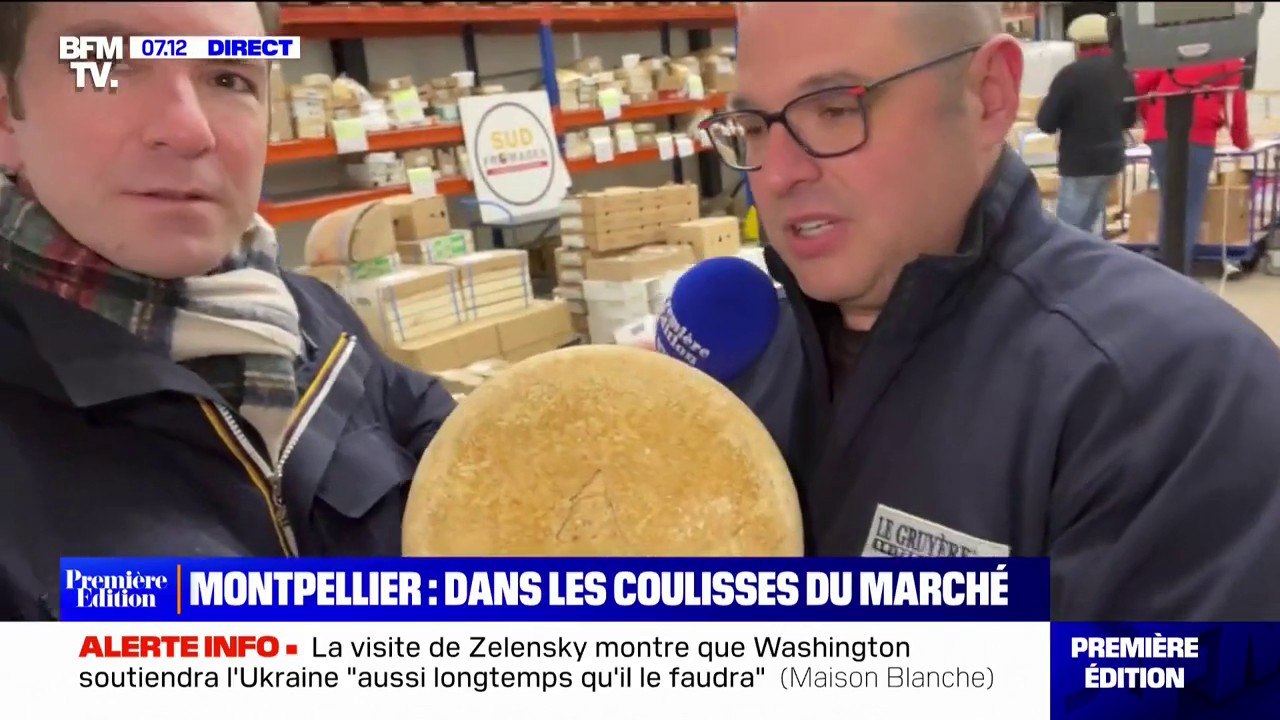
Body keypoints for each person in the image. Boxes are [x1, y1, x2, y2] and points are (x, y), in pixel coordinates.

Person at [707, 2, 1280, 621]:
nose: (778, 175)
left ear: (989, 95)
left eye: (835, 110)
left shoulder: (1175, 392)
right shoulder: (746, 368)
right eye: (755, 126)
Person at [0, 2, 456, 619]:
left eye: (228, 79)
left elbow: (471, 455)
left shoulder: (317, 324)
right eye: (108, 65)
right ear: (8, 115)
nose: (189, 130)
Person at [1134, 59, 1253, 272]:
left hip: (1161, 131)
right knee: (1189, 206)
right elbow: (1234, 100)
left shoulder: (1168, 49)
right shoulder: (1226, 55)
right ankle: (1178, 275)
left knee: (1170, 202)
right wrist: (1241, 140)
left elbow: (1141, 86)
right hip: (1198, 133)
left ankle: (1164, 271)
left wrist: (1151, 119)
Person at [1035, 13, 1136, 234]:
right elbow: (1129, 118)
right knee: (1094, 223)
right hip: (1111, 160)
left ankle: (1067, 268)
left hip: (1080, 163)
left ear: (1078, 44)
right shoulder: (1123, 72)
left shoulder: (1070, 74)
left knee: (1067, 232)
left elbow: (1046, 122)